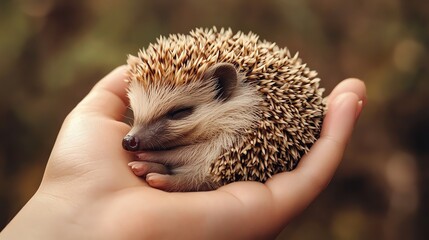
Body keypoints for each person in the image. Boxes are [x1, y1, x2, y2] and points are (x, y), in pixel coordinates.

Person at [0, 66, 366, 239]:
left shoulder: (253, 113)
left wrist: (188, 171)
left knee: (209, 165)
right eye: (138, 118)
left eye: (176, 114)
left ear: (225, 91)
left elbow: (222, 165)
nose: (134, 138)